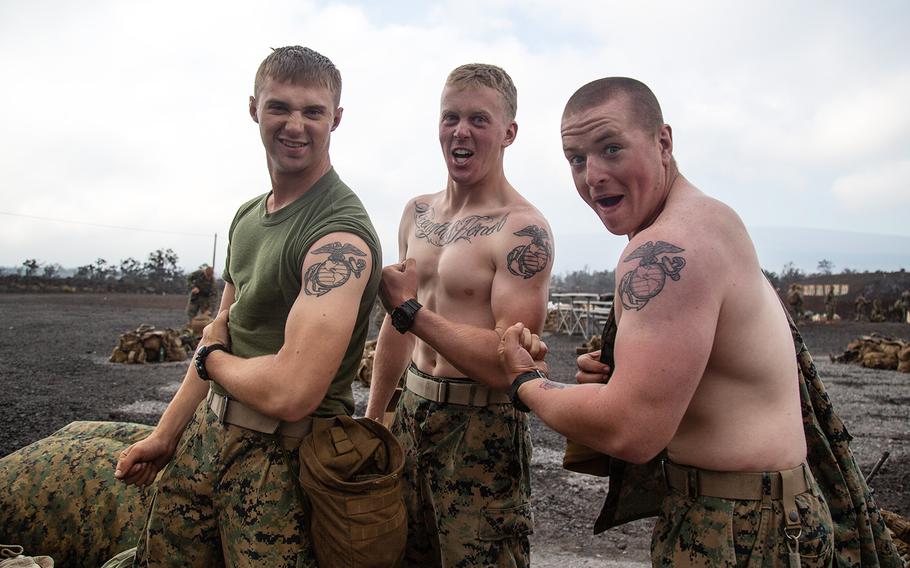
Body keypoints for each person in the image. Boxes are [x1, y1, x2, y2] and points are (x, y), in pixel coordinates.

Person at [496, 77, 897, 567]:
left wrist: (526, 382)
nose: (593, 175)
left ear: (663, 141)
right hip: (756, 515)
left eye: (612, 148)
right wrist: (619, 380)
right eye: (577, 159)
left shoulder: (669, 246)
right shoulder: (708, 218)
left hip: (741, 527)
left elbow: (631, 431)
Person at [112, 46, 381, 567]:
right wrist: (164, 437)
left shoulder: (338, 235)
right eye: (280, 107)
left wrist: (211, 360)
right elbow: (223, 326)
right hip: (207, 438)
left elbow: (292, 391)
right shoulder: (247, 217)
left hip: (284, 465)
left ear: (337, 119)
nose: (295, 125)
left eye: (313, 112)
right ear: (254, 108)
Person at [365, 63, 553, 567]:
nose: (461, 131)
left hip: (481, 430)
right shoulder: (416, 213)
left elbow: (508, 366)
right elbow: (394, 327)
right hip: (411, 409)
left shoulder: (521, 231)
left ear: (509, 133)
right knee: (399, 554)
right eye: (450, 117)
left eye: (479, 119)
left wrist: (409, 310)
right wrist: (375, 418)